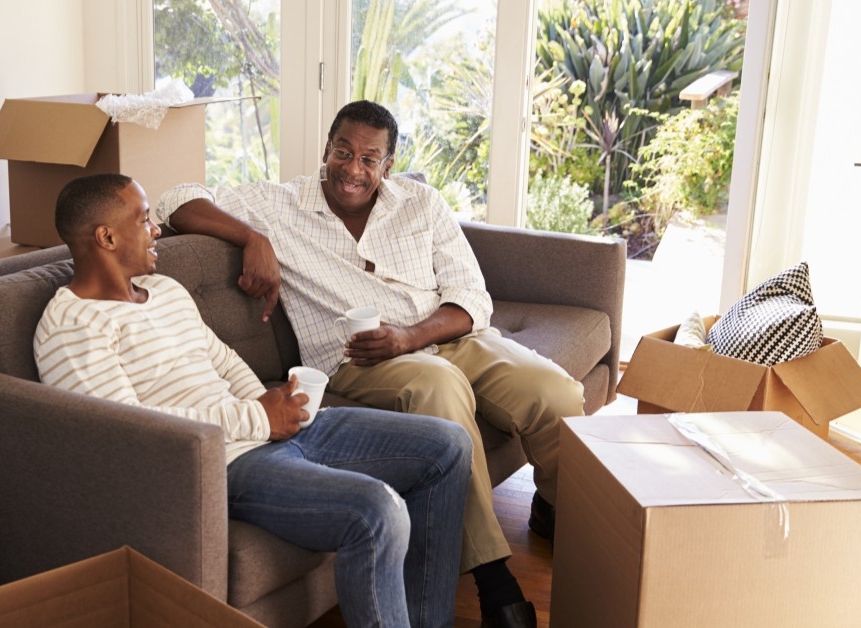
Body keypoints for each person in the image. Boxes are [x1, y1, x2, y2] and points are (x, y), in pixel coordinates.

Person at [158, 100, 583, 628]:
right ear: (326, 149)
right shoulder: (276, 204)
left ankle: (554, 507)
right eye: (343, 152)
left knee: (555, 392)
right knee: (440, 389)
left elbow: (472, 294)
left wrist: (412, 335)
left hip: (442, 333)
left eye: (369, 158)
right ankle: (494, 578)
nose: (352, 169)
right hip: (361, 359)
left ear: (388, 163)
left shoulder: (420, 202)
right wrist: (253, 237)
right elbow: (174, 199)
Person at [34, 173, 474, 628]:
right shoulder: (72, 325)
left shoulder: (164, 290)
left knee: (448, 445)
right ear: (106, 237)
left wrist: (272, 404)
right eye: (144, 220)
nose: (156, 229)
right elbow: (130, 429)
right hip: (225, 463)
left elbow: (222, 359)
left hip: (266, 430)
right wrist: (258, 419)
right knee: (376, 512)